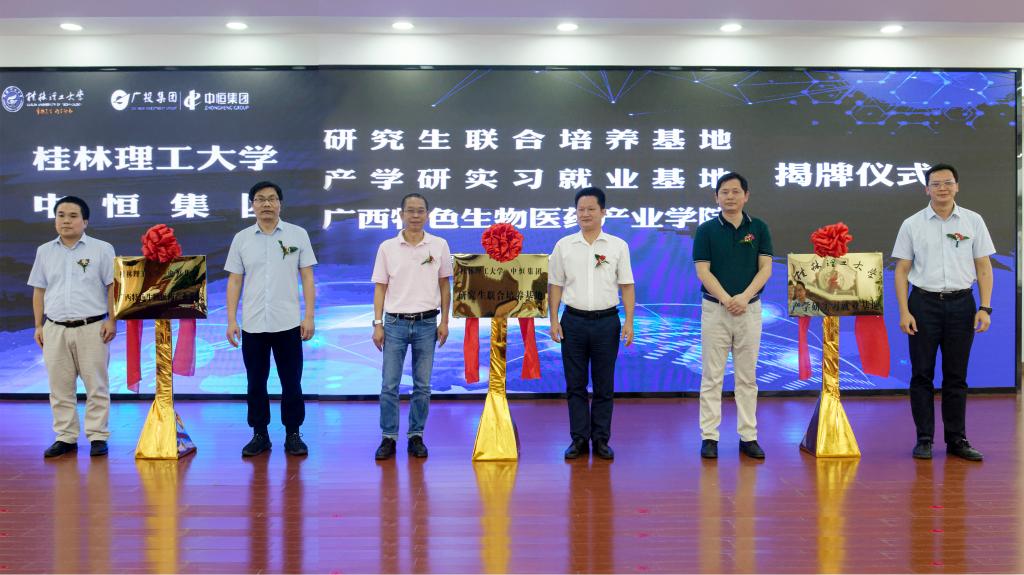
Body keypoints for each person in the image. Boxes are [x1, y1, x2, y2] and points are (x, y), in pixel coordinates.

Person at [892, 163, 993, 461]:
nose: (942, 188)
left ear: (957, 186)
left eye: (948, 182)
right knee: (921, 374)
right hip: (923, 305)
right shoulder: (912, 224)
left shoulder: (973, 221)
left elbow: (984, 267)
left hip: (962, 305)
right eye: (935, 184)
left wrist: (985, 307)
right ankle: (924, 439)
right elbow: (902, 271)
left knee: (956, 376)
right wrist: (904, 311)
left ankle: (957, 440)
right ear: (927, 189)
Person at [226, 181, 317, 457]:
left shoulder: (297, 234)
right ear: (252, 205)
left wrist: (309, 316)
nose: (266, 204)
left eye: (272, 198)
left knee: (292, 381)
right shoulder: (242, 238)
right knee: (255, 382)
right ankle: (260, 434)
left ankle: (293, 434)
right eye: (260, 199)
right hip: (253, 324)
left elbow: (307, 277)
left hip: (288, 322)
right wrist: (231, 320)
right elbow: (235, 280)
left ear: (280, 204)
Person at [549, 187, 635, 460]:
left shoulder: (618, 246)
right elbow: (555, 285)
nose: (585, 214)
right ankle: (578, 439)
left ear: (603, 212)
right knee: (575, 385)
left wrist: (629, 321)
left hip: (606, 322)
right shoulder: (564, 245)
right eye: (580, 209)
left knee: (603, 385)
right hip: (572, 322)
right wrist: (553, 319)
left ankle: (600, 440)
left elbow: (627, 286)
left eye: (591, 209)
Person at [28, 196, 117, 458]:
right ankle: (65, 437)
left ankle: (98, 436)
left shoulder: (102, 249)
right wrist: (38, 325)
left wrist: (112, 320)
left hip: (92, 327)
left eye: (73, 216)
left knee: (96, 385)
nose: (66, 221)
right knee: (59, 387)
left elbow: (112, 287)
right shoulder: (45, 251)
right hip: (54, 327)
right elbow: (39, 290)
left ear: (85, 221)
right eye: (61, 215)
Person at [693, 172, 773, 460]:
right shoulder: (706, 230)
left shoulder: (759, 228)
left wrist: (744, 297)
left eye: (735, 191)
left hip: (749, 310)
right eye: (724, 192)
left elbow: (766, 268)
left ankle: (748, 436)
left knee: (747, 377)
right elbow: (703, 271)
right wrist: (727, 299)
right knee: (712, 376)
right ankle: (709, 437)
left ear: (746, 196)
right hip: (715, 309)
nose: (730, 196)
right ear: (716, 197)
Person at [370, 193, 452, 460]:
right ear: (401, 214)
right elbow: (380, 288)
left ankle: (416, 435)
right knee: (389, 385)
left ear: (427, 214)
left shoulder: (439, 245)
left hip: (427, 323)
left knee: (423, 385)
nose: (415, 215)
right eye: (410, 210)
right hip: (394, 323)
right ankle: (388, 437)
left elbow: (444, 286)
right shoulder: (387, 247)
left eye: (420, 211)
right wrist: (378, 324)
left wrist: (445, 321)